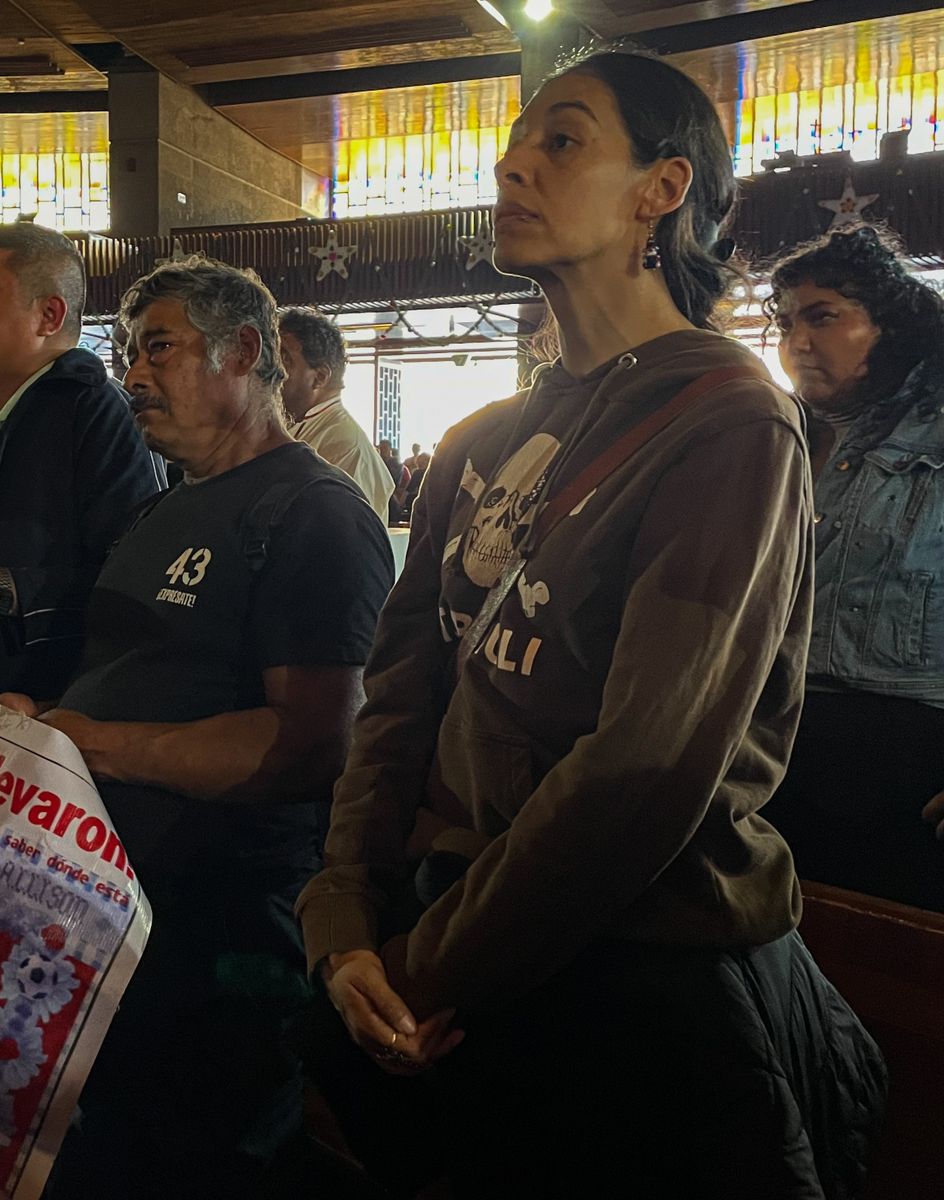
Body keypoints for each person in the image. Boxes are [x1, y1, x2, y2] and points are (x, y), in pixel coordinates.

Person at [297, 50, 885, 1199]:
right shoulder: (483, 437)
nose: (512, 162)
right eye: (513, 140)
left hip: (627, 972)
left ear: (660, 189)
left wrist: (421, 968)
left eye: (560, 140)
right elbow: (402, 700)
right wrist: (342, 920)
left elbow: (643, 768)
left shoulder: (727, 422)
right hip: (447, 939)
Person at [0, 258, 392, 1197]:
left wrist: (85, 740)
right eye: (131, 350)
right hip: (107, 917)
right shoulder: (159, 509)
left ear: (246, 352)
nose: (134, 374)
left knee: (211, 1162)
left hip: (225, 936)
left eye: (161, 348)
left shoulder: (311, 514)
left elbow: (307, 746)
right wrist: (35, 727)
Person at [0, 222, 164, 753]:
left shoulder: (95, 411)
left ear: (48, 315)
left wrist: (6, 589)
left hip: (31, 722)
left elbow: (130, 585)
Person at [764, 225, 944, 912]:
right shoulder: (777, 443)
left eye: (824, 317)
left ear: (891, 324)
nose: (797, 342)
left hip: (909, 778)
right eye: (784, 323)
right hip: (776, 762)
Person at [278, 307, 395, 521]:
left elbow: (345, 542)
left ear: (320, 377)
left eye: (284, 359)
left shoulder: (347, 448)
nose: (270, 370)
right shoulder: (291, 425)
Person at [377, 438, 413, 523]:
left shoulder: (398, 465)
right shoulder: (377, 463)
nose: (382, 451)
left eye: (385, 448)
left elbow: (400, 483)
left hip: (393, 497)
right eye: (381, 449)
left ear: (390, 449)